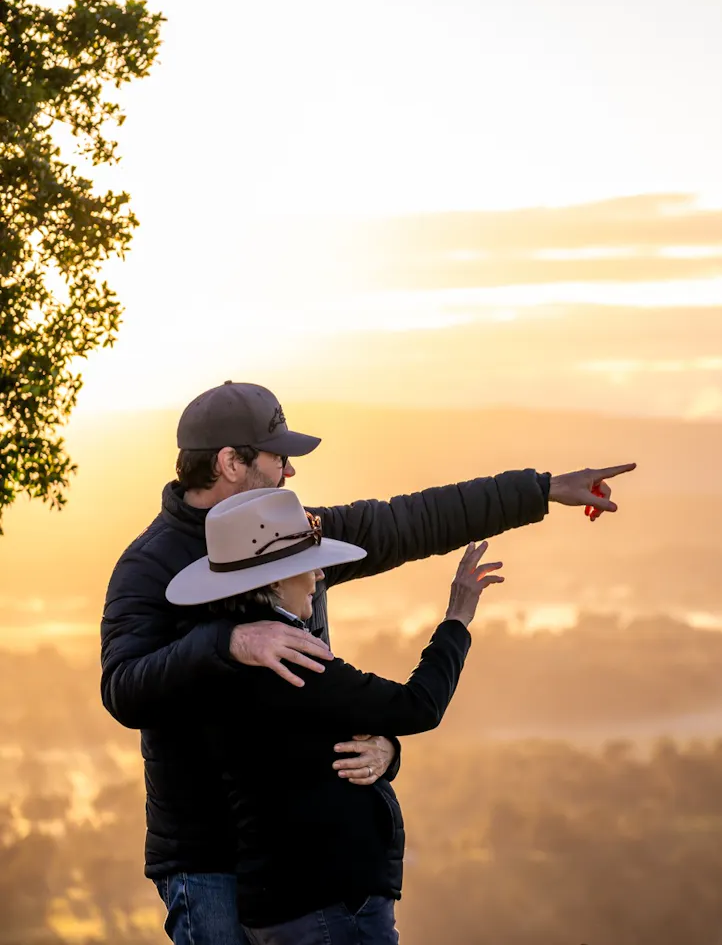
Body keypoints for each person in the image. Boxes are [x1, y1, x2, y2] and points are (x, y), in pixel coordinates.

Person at [100, 381, 634, 944]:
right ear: (231, 462)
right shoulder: (148, 565)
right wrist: (229, 643)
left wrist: (541, 490)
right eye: (279, 457)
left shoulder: (289, 533)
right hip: (207, 858)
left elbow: (409, 521)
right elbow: (123, 688)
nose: (290, 472)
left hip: (300, 861)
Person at [164, 486, 497, 943]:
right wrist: (457, 618)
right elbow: (418, 706)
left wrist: (386, 749)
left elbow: (312, 744)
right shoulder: (289, 658)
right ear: (272, 583)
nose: (319, 575)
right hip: (327, 906)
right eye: (305, 566)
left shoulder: (217, 658)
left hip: (277, 904)